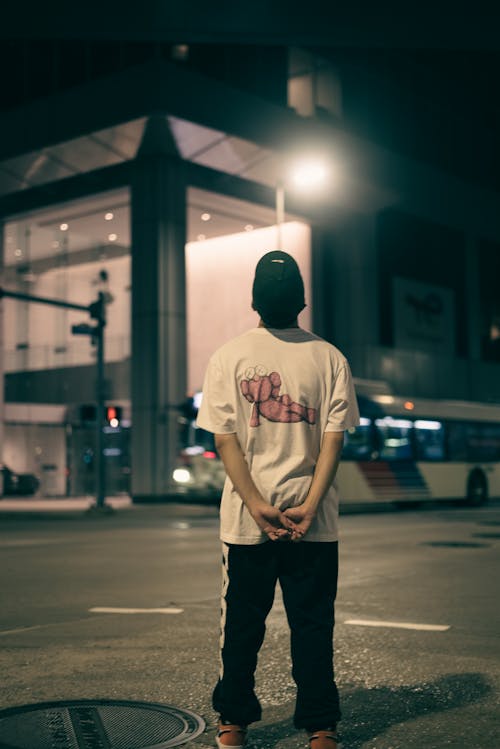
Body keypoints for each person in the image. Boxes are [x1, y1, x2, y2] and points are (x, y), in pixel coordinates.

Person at [197, 250, 359, 749]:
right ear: (302, 302)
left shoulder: (228, 356)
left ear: (253, 301)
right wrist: (310, 505)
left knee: (242, 627)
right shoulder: (330, 357)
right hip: (314, 524)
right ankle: (320, 726)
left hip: (247, 525)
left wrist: (254, 504)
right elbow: (335, 438)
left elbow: (224, 439)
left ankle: (233, 722)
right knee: (313, 625)